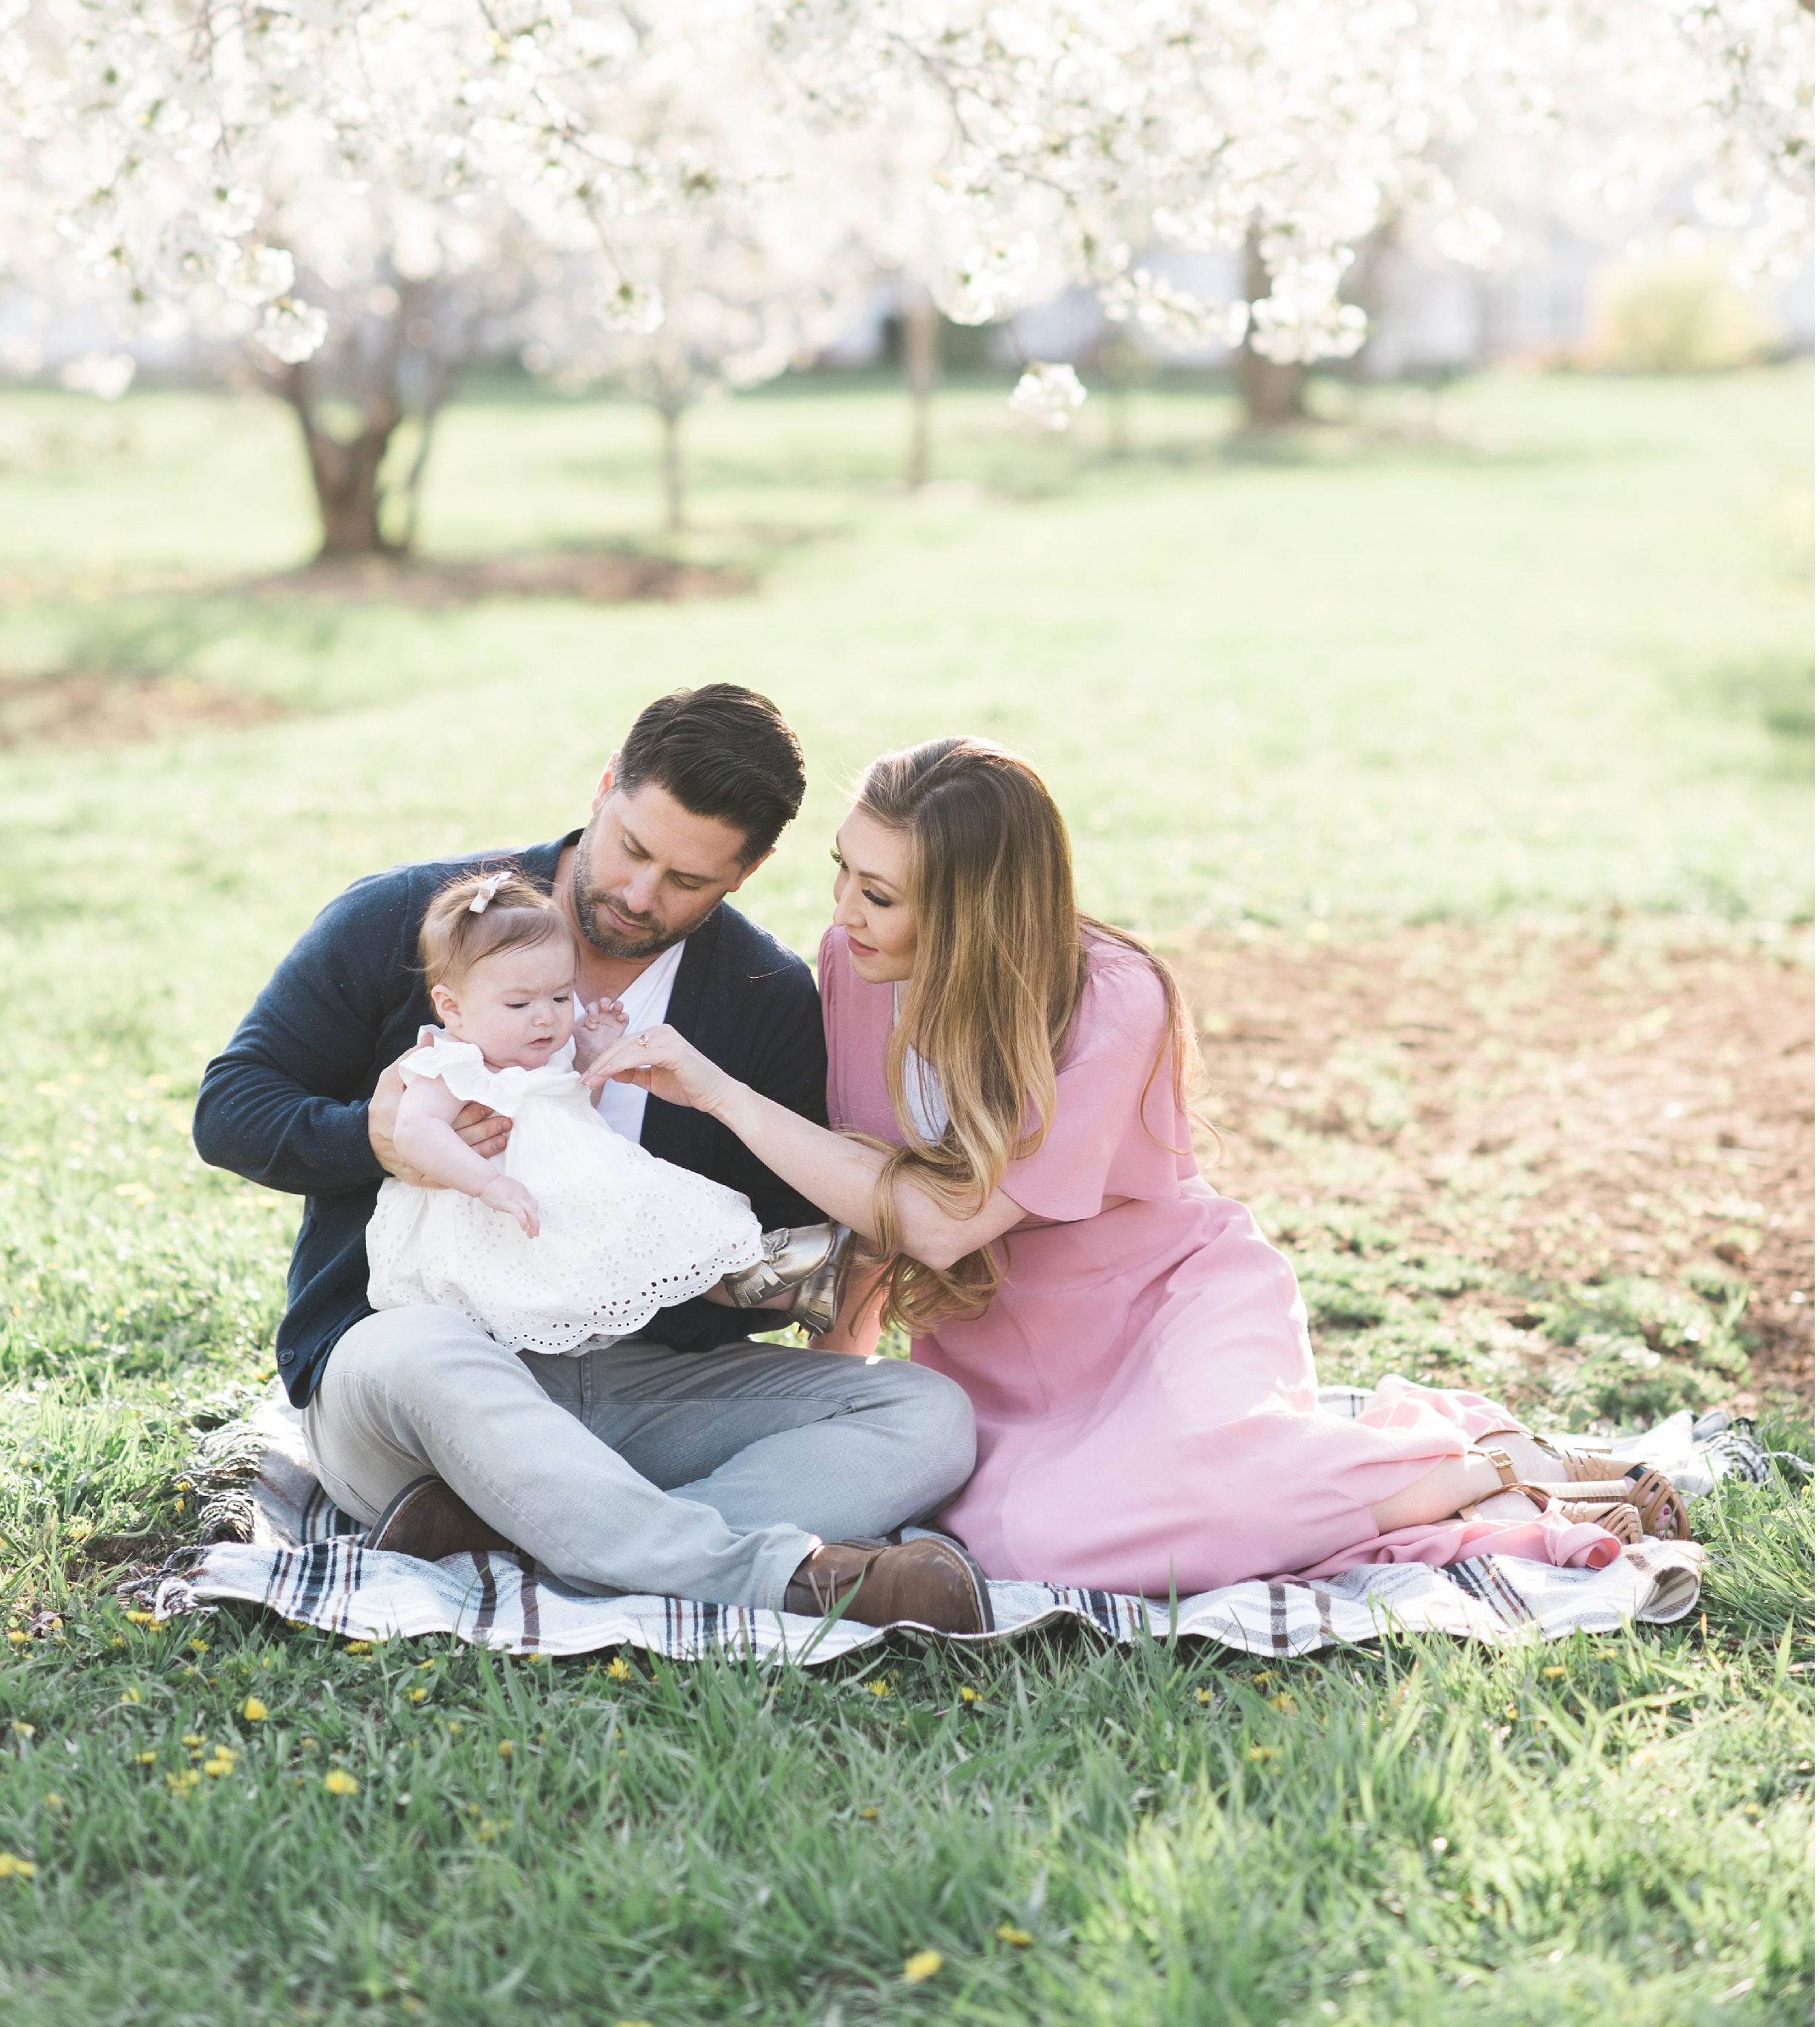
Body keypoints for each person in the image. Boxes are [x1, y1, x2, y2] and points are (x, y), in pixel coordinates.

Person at [583, 735, 1687, 1595]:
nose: (843, 914)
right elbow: (873, 1194)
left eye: (880, 894)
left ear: (973, 909)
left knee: (1208, 1474)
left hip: (1164, 1302)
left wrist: (722, 1096)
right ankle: (1406, 1461)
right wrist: (841, 1376)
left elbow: (944, 1220)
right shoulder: (854, 962)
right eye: (845, 876)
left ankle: (1472, 1468)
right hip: (1001, 1345)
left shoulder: (1115, 996)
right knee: (1025, 1540)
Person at [194, 685, 987, 1631]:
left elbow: (787, 1236)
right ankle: (787, 1578)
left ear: (753, 868)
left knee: (929, 1416)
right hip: (417, 1367)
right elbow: (231, 1108)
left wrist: (742, 1261)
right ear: (606, 785)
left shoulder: (764, 998)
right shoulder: (417, 920)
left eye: (687, 881)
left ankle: (515, 1533)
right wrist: (377, 1141)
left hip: (637, 1386)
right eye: (633, 848)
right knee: (428, 1351)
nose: (639, 896)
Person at [369, 865, 766, 1352]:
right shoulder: (451, 1062)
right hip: (485, 1213)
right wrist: (489, 1182)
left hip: (557, 1198)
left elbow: (577, 1108)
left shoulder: (547, 1056)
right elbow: (413, 1131)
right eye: (519, 1004)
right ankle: (748, 1277)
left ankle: (750, 1272)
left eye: (561, 996)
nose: (546, 1016)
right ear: (451, 1007)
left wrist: (589, 1059)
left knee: (646, 1204)